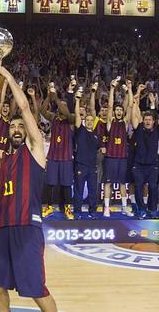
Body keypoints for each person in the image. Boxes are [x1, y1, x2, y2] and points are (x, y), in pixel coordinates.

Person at [0, 65, 57, 312]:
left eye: (21, 127)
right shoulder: (3, 159)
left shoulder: (35, 152)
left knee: (36, 288)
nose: (17, 129)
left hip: (27, 228)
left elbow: (23, 107)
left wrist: (7, 77)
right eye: (13, 127)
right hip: (2, 228)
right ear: (8, 132)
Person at [131, 94, 159, 219]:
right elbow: (133, 118)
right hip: (138, 165)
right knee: (138, 187)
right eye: (146, 119)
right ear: (143, 121)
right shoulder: (138, 129)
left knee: (154, 187)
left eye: (150, 119)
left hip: (152, 165)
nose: (147, 121)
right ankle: (141, 209)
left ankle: (152, 209)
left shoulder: (157, 130)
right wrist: (134, 104)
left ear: (153, 121)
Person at [39, 83, 74, 219]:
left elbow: (65, 111)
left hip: (66, 158)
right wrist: (49, 97)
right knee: (50, 184)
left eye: (64, 105)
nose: (61, 107)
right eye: (60, 105)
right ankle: (48, 207)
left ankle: (67, 209)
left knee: (66, 185)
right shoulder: (54, 118)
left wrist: (57, 99)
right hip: (53, 156)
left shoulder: (70, 119)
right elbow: (42, 111)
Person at [103, 79, 136, 217]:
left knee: (123, 184)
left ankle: (123, 207)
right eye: (116, 109)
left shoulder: (125, 123)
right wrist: (112, 89)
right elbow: (109, 107)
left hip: (122, 158)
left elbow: (129, 106)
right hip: (111, 157)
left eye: (120, 110)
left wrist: (129, 89)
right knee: (108, 183)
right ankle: (106, 208)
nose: (118, 111)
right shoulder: (110, 122)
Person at [72, 88, 101, 219]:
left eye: (91, 120)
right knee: (78, 189)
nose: (89, 121)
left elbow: (99, 148)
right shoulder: (80, 130)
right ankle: (77, 211)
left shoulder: (96, 135)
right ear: (85, 121)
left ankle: (92, 211)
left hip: (92, 167)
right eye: (87, 120)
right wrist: (77, 102)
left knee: (92, 190)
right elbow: (78, 116)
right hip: (81, 165)